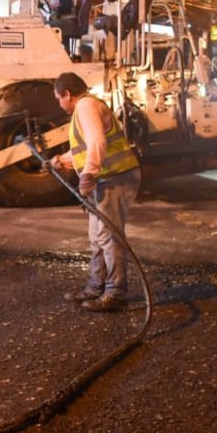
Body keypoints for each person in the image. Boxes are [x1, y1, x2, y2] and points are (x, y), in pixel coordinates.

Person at [45, 72, 141, 312]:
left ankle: (116, 294)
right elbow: (85, 148)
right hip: (107, 178)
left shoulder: (86, 105)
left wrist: (88, 174)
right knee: (97, 237)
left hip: (114, 178)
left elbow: (97, 142)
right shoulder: (85, 108)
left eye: (59, 98)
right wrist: (60, 160)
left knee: (109, 237)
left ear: (68, 94)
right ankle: (96, 287)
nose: (59, 103)